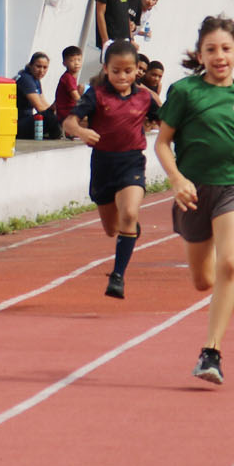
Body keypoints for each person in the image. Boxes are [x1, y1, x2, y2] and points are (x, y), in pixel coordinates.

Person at [155, 15, 234, 384]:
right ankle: (206, 252)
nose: (219, 56)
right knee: (202, 281)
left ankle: (211, 352)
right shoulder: (185, 92)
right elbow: (162, 142)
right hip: (192, 196)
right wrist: (176, 179)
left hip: (231, 190)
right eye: (211, 49)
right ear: (200, 54)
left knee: (230, 264)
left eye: (226, 49)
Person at [63, 40, 161, 299]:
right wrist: (83, 131)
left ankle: (117, 277)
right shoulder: (96, 94)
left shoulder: (144, 97)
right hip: (103, 165)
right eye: (116, 70)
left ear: (136, 71)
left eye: (128, 71)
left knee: (129, 213)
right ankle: (128, 231)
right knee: (111, 228)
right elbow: (69, 123)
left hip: (132, 162)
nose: (122, 76)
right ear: (106, 68)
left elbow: (169, 120)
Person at [15, 51, 61, 139]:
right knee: (51, 118)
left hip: (25, 120)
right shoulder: (26, 79)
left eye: (45, 67)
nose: (41, 70)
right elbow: (39, 107)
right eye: (38, 66)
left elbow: (44, 103)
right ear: (31, 65)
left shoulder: (35, 79)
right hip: (18, 123)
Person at [53, 44, 83, 129]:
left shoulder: (70, 77)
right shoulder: (68, 78)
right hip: (66, 114)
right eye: (72, 60)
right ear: (64, 63)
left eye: (79, 60)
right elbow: (76, 97)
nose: (76, 63)